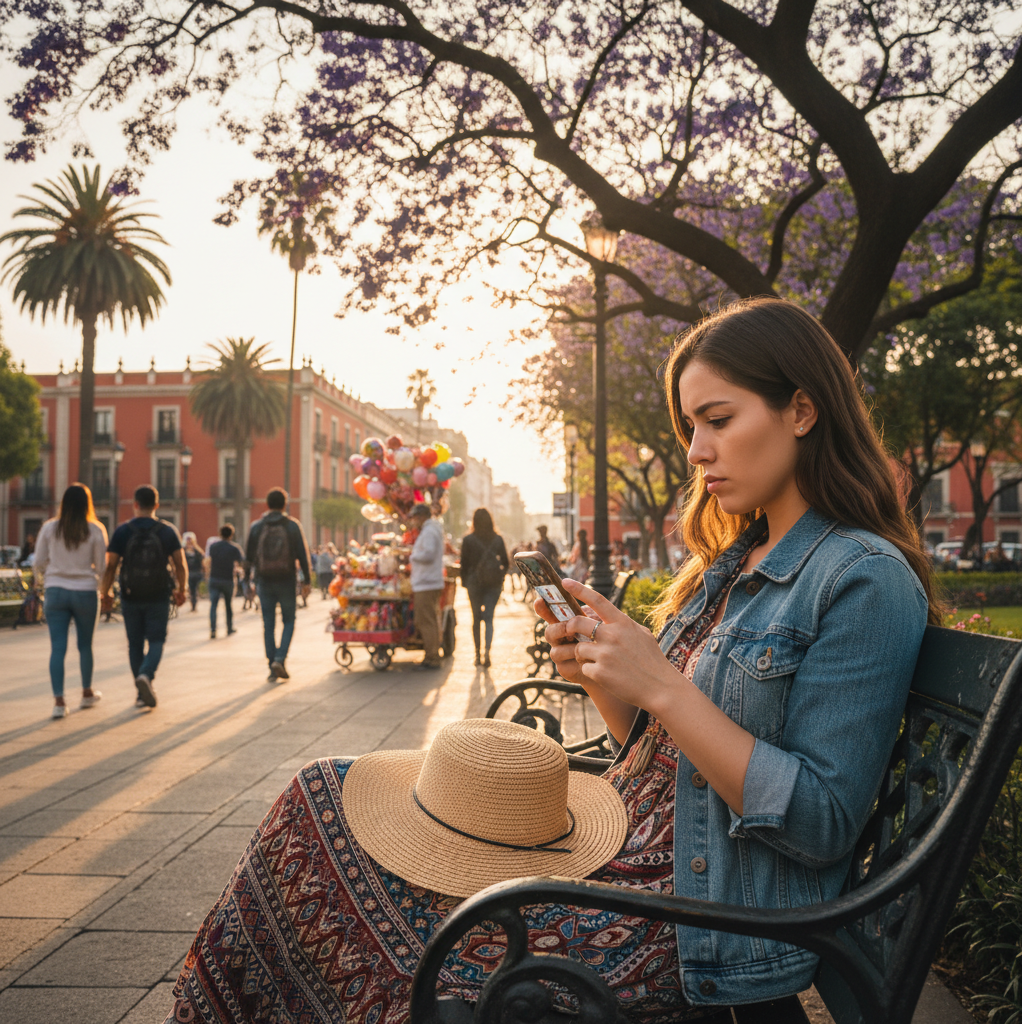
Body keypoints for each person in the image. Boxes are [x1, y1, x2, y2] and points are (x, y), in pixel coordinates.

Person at [167, 297, 936, 1022]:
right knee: (322, 795)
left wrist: (663, 685)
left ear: (802, 409)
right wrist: (606, 678)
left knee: (372, 894)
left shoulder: (863, 578)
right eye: (690, 427)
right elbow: (659, 753)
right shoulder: (735, 560)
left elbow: (822, 822)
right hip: (618, 855)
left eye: (718, 420)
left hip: (688, 917)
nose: (697, 452)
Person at [101, 485, 186, 709]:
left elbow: (110, 566)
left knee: (135, 644)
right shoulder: (167, 531)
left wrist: (106, 593)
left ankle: (140, 693)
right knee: (157, 640)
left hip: (131, 596)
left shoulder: (122, 531)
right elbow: (180, 564)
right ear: (157, 505)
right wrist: (181, 589)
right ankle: (146, 676)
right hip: (158, 595)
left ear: (135, 504)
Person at [34, 484, 108, 719]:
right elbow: (102, 566)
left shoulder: (49, 528)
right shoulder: (95, 529)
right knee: (85, 645)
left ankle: (59, 701)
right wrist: (99, 585)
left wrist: (50, 575)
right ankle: (86, 693)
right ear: (87, 503)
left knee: (57, 647)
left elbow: (38, 561)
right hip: (85, 591)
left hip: (55, 591)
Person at [245, 487, 311, 682]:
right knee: (289, 621)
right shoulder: (292, 525)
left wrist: (247, 581)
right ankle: (280, 659)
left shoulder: (257, 526)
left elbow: (248, 556)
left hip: (264, 580)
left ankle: (272, 665)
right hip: (286, 579)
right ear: (285, 504)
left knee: (268, 624)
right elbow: (302, 554)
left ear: (267, 504)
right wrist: (307, 579)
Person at [459, 507, 509, 668]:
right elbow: (506, 563)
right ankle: (487, 652)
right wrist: (499, 577)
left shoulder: (468, 540)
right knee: (488, 618)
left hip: (474, 582)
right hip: (493, 584)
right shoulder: (498, 539)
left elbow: (463, 565)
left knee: (475, 619)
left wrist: (465, 582)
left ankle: (476, 654)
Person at [408, 502, 445, 670]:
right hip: (429, 580)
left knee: (426, 621)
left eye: (415, 517)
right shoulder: (432, 529)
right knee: (429, 619)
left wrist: (413, 555)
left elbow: (428, 554)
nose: (414, 521)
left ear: (422, 517)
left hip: (426, 582)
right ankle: (432, 654)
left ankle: (432, 657)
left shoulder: (430, 531)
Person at [207, 524, 244, 638]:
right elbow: (241, 561)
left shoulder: (213, 547)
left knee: (213, 605)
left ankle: (213, 630)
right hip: (228, 579)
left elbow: (209, 559)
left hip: (214, 578)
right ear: (231, 535)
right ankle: (229, 628)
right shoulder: (234, 548)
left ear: (220, 534)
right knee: (228, 605)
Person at [183, 532, 204, 611]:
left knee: (195, 589)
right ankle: (193, 604)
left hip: (196, 572)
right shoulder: (183, 551)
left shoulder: (197, 551)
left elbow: (202, 559)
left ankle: (194, 604)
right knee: (191, 589)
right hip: (188, 572)